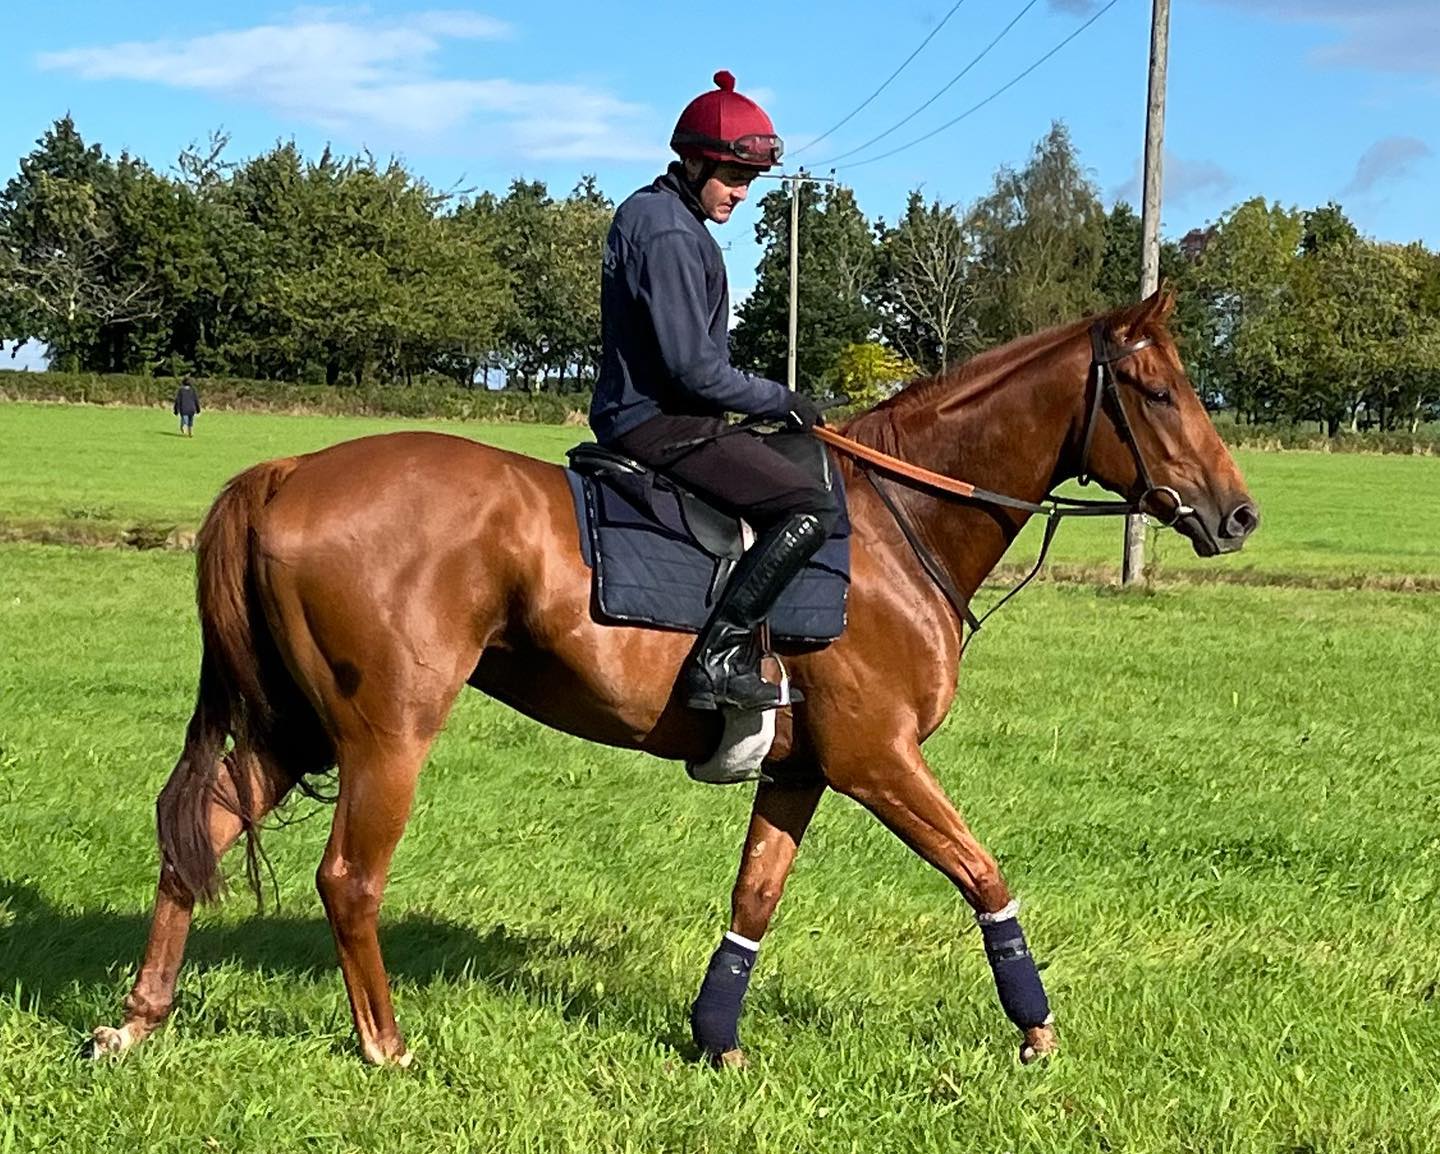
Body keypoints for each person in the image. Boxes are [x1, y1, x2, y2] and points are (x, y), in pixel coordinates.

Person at [590, 70, 839, 713]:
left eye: (749, 180)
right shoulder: (670, 232)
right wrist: (782, 399)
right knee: (808, 503)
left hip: (666, 416)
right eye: (732, 176)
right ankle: (719, 658)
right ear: (694, 162)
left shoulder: (666, 217)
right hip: (660, 422)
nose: (741, 192)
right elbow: (694, 371)